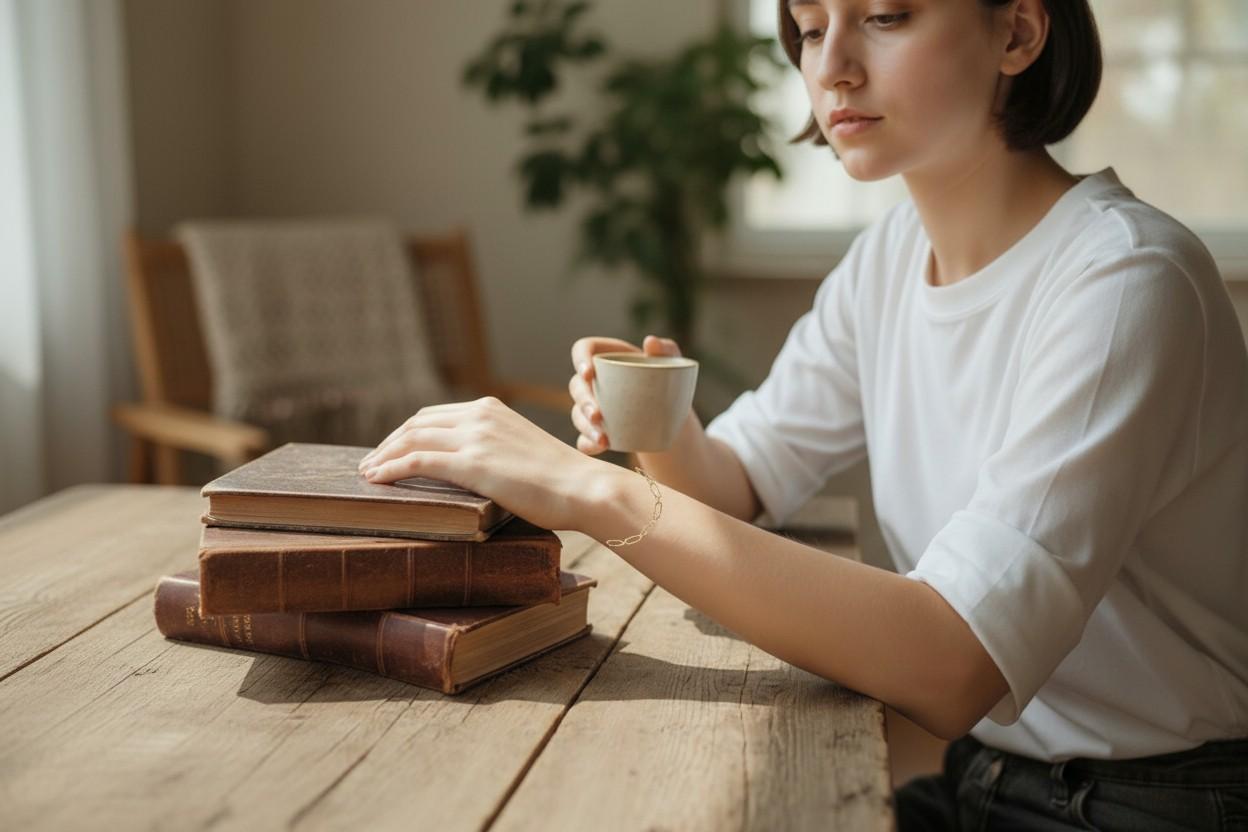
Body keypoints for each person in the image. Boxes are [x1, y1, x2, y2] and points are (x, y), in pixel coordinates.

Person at [360, 0, 1248, 828]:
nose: (834, 68)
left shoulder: (1126, 282)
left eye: (885, 17)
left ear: (1017, 33)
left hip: (1152, 801)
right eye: (809, 26)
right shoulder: (890, 258)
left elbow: (950, 662)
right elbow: (740, 484)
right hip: (984, 775)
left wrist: (584, 488)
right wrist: (661, 427)